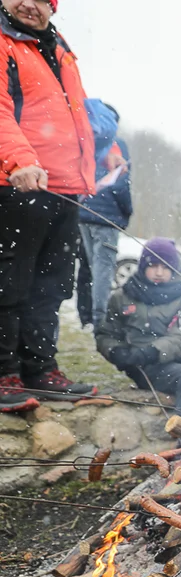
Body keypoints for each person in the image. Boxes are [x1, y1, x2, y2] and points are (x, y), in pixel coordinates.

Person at [0, 0, 98, 412]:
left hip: (63, 187)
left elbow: (74, 113)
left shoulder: (58, 47)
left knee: (53, 284)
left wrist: (96, 156)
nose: (28, 4)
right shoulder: (4, 43)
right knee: (10, 282)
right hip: (17, 183)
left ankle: (40, 369)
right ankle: (4, 372)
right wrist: (19, 160)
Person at [96, 239, 181, 419]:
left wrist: (153, 351)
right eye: (153, 265)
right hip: (146, 367)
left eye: (165, 267)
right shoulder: (122, 297)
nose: (159, 272)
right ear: (143, 267)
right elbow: (106, 334)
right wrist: (116, 352)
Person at [78, 99, 133, 328]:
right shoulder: (116, 146)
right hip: (106, 219)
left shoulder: (85, 143)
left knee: (89, 267)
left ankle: (87, 317)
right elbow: (121, 184)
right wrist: (127, 213)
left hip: (83, 214)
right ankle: (100, 320)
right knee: (103, 271)